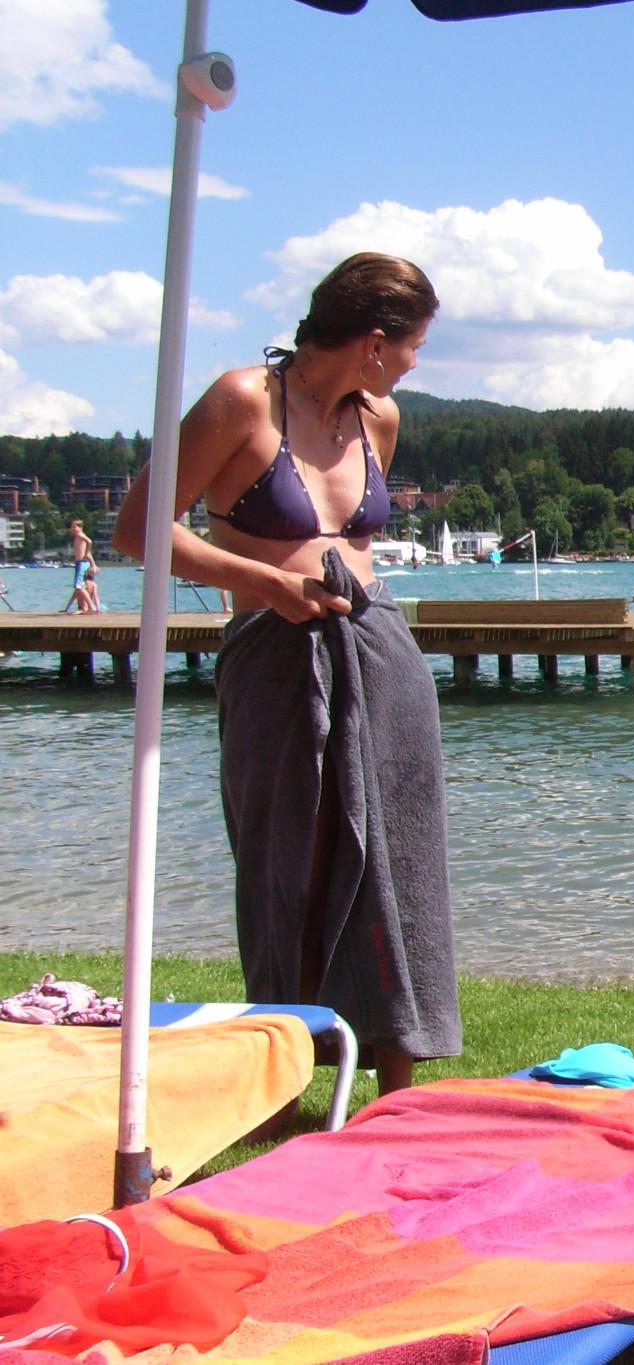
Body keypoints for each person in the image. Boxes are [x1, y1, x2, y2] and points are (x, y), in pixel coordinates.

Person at [111, 252, 458, 1094]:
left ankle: (398, 1081)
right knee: (284, 860)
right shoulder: (243, 401)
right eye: (412, 345)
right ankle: (281, 1075)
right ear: (372, 341)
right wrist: (266, 583)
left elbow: (356, 543)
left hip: (380, 654)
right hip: (273, 652)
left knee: (398, 864)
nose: (414, 363)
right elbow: (138, 526)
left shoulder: (380, 420)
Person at [62, 520, 97, 613]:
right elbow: (88, 552)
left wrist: (87, 553)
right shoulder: (78, 537)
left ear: (80, 527)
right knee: (80, 586)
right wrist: (93, 563)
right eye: (71, 527)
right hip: (80, 563)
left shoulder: (80, 535)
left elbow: (90, 541)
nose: (72, 529)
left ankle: (91, 607)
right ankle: (89, 607)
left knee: (78, 587)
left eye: (74, 527)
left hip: (82, 563)